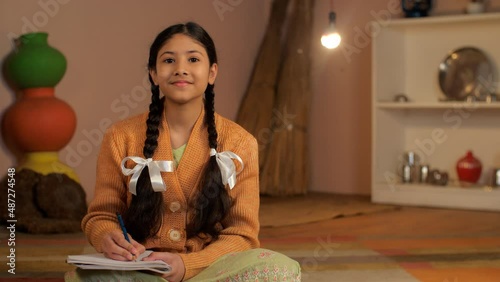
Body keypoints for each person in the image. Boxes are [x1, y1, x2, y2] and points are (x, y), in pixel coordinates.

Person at [65, 22, 301, 282]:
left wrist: (188, 265)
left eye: (193, 59)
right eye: (168, 60)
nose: (180, 69)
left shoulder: (240, 142)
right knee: (84, 277)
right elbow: (102, 215)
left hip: (209, 268)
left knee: (280, 268)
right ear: (153, 73)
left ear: (212, 72)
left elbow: (243, 235)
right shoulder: (121, 136)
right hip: (143, 269)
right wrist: (105, 234)